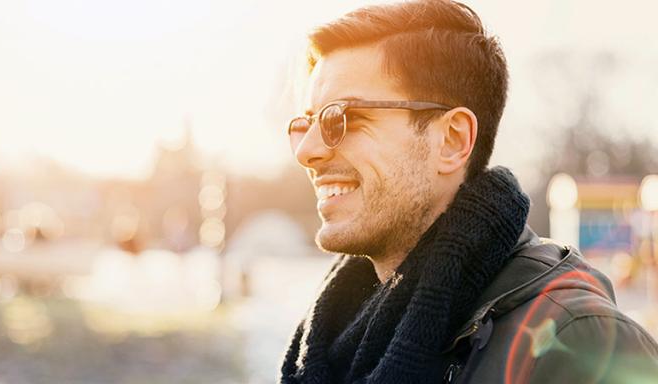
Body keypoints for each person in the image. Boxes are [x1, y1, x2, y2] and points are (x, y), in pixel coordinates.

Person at [278, 1, 658, 383]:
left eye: (343, 117)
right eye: (306, 123)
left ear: (452, 140)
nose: (307, 151)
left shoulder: (580, 344)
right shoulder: (330, 339)